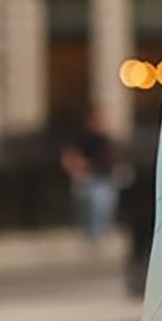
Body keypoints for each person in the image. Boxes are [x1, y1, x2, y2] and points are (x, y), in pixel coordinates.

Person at [60, 105, 119, 248]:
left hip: (104, 179)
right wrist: (76, 171)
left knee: (104, 205)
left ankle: (99, 233)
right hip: (88, 179)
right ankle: (92, 234)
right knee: (91, 204)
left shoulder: (105, 140)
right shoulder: (82, 139)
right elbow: (69, 157)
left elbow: (113, 159)